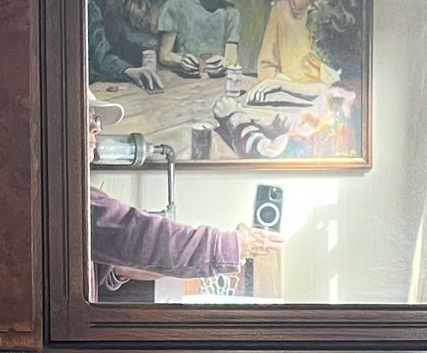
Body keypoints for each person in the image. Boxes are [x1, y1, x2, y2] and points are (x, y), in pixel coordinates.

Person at [87, 113, 282, 297]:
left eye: (95, 118)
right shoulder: (75, 198)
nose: (96, 126)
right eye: (84, 117)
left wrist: (116, 269)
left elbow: (85, 261)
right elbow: (134, 232)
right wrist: (231, 245)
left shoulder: (71, 192)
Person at [88, 0, 173, 88]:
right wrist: (128, 70)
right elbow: (104, 54)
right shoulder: (118, 2)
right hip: (122, 79)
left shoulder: (164, 4)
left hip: (152, 76)